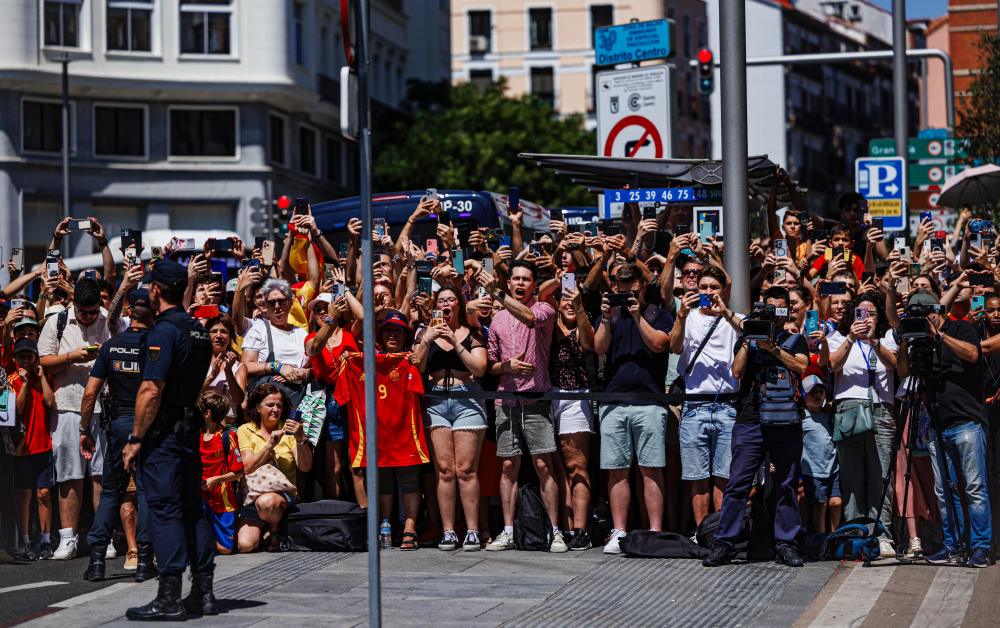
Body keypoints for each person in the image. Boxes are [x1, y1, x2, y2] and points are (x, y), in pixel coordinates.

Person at [120, 260, 214, 620]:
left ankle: (169, 596)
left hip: (164, 434)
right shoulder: (199, 330)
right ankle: (203, 591)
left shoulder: (163, 331)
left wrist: (136, 437)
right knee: (193, 509)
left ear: (156, 290)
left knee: (164, 509)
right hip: (188, 428)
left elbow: (150, 389)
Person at [703, 287, 809, 568]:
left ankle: (786, 543)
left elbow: (801, 367)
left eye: (779, 309)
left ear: (787, 310)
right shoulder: (748, 336)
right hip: (750, 419)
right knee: (738, 484)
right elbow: (737, 372)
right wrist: (750, 341)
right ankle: (724, 542)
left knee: (787, 484)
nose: (773, 315)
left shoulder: (794, 339)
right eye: (769, 308)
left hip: (786, 421)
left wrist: (773, 348)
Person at [897, 292, 993, 568]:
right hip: (937, 426)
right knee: (943, 490)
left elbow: (973, 354)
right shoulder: (920, 341)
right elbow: (904, 371)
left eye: (923, 312)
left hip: (967, 421)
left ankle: (980, 547)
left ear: (935, 310)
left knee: (974, 488)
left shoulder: (960, 328)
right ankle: (952, 545)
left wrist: (940, 334)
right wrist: (906, 341)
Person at [478, 260, 566, 553]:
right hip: (507, 398)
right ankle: (507, 530)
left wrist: (497, 295)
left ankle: (556, 531)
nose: (519, 284)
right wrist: (506, 366)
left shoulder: (544, 307)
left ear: (534, 285)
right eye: (515, 278)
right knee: (507, 465)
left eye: (525, 279)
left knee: (543, 464)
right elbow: (490, 364)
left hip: (536, 397)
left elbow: (529, 318)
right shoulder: (498, 318)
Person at [595, 263, 673, 554]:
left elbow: (658, 344)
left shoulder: (657, 313)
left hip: (650, 401)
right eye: (621, 289)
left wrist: (637, 313)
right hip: (614, 401)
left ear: (642, 287)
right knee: (616, 470)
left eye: (633, 290)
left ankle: (655, 530)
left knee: (651, 469)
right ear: (615, 287)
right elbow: (598, 348)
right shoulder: (611, 315)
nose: (627, 295)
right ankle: (618, 530)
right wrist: (605, 318)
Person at [80, 286, 156, 582]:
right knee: (148, 493)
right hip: (148, 422)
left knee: (112, 491)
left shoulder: (111, 347)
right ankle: (144, 560)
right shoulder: (157, 345)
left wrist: (84, 429)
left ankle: (97, 560)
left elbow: (89, 395)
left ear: (127, 313)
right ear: (152, 313)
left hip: (119, 423)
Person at [334, 310, 429, 550]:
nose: (393, 335)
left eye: (398, 330)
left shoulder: (411, 360)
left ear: (406, 335)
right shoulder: (360, 361)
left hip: (406, 431)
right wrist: (347, 359)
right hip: (376, 436)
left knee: (410, 481)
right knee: (383, 483)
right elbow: (342, 396)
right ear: (380, 334)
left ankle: (410, 527)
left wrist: (418, 358)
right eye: (388, 330)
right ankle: (385, 524)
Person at [37, 277, 116, 560]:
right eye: (84, 313)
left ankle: (103, 535)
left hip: (101, 407)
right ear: (73, 305)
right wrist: (71, 357)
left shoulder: (107, 320)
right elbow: (43, 359)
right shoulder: (56, 322)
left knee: (100, 474)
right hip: (67, 406)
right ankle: (67, 538)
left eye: (94, 311)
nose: (90, 317)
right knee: (69, 474)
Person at [412, 288, 489, 552]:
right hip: (435, 400)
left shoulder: (473, 333)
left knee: (466, 470)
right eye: (441, 300)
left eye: (450, 300)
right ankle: (447, 531)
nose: (445, 304)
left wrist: (454, 342)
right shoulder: (427, 334)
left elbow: (480, 368)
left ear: (459, 304)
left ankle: (471, 531)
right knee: (444, 471)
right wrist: (427, 339)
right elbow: (417, 366)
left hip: (466, 398)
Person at [827, 291, 898, 556]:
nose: (866, 319)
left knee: (881, 477)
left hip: (880, 408)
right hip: (849, 408)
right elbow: (832, 365)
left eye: (872, 314)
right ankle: (853, 534)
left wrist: (874, 341)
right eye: (861, 313)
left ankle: (882, 535)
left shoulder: (888, 337)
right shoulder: (837, 336)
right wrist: (851, 338)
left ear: (879, 317)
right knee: (852, 476)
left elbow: (895, 366)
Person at [671, 266, 740, 531]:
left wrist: (725, 312)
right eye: (703, 287)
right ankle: (703, 533)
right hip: (694, 405)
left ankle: (720, 534)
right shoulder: (688, 317)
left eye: (714, 287)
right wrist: (680, 315)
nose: (708, 292)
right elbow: (675, 347)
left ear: (724, 290)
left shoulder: (733, 318)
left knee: (724, 477)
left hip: (727, 405)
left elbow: (745, 333)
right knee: (697, 478)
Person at [236, 384, 312, 554]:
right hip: (253, 495)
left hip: (281, 496)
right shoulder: (245, 430)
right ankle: (267, 529)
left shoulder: (289, 431)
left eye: (279, 405)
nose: (276, 409)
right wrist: (270, 445)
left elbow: (305, 467)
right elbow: (247, 468)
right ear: (257, 407)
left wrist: (301, 438)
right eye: (270, 405)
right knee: (245, 545)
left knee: (267, 501)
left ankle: (276, 531)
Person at [548, 284, 596, 550]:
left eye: (573, 298)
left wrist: (578, 308)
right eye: (564, 298)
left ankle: (580, 529)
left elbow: (588, 345)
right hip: (546, 397)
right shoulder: (546, 324)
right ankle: (561, 529)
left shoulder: (583, 326)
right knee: (554, 468)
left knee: (576, 466)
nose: (568, 302)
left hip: (576, 396)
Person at [304, 291, 359, 500]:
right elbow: (314, 349)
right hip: (329, 399)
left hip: (354, 399)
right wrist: (330, 318)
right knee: (333, 466)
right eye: (316, 310)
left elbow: (362, 317)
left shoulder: (350, 333)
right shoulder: (311, 337)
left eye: (324, 307)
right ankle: (336, 516)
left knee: (356, 464)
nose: (320, 312)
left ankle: (363, 516)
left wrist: (345, 293)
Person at [9, 338, 56, 561]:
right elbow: (17, 410)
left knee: (44, 493)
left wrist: (41, 377)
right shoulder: (13, 380)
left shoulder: (43, 378)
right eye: (22, 357)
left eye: (30, 356)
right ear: (15, 359)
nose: (26, 360)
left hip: (43, 445)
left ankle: (46, 540)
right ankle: (26, 540)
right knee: (24, 495)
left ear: (36, 358)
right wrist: (26, 383)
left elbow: (50, 403)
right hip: (22, 448)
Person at [196, 391, 244, 555]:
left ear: (207, 414)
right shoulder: (197, 435)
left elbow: (238, 473)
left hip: (222, 499)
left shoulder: (227, 436)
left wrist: (215, 480)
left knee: (224, 549)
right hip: (200, 498)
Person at [800, 374, 841, 533]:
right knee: (820, 503)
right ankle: (821, 539)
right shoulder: (801, 417)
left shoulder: (830, 415)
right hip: (814, 470)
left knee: (836, 502)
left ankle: (835, 537)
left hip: (833, 467)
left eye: (820, 392)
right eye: (812, 392)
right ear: (804, 395)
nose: (817, 395)